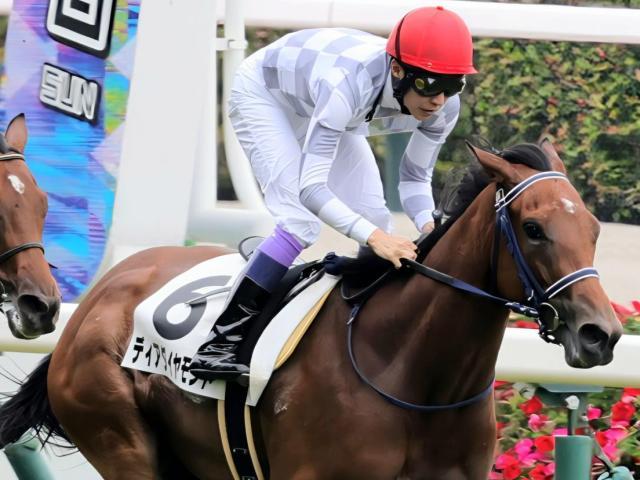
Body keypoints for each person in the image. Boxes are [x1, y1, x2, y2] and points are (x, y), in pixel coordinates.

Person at [189, 6, 477, 381]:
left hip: (323, 104)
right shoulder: (349, 85)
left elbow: (414, 179)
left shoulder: (444, 107)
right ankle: (218, 344)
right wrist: (377, 239)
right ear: (397, 70)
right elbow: (312, 189)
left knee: (375, 217)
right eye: (428, 84)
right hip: (266, 95)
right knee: (300, 221)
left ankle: (361, 329)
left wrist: (429, 228)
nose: (438, 100)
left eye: (452, 85)